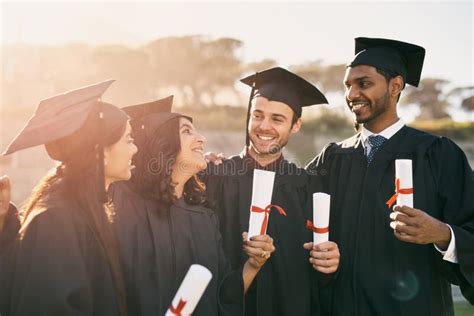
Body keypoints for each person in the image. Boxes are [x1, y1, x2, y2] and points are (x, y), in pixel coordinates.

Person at [306, 37, 474, 315]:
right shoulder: (333, 158)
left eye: (364, 84)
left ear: (396, 86)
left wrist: (443, 234)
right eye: (348, 85)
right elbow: (288, 195)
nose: (351, 94)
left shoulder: (437, 155)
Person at [109, 96, 275, 315]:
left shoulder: (204, 220)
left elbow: (224, 294)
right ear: (161, 144)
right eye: (187, 131)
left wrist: (254, 264)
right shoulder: (119, 205)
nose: (201, 138)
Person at [204, 67, 341, 316]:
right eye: (257, 115)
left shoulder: (307, 186)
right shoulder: (216, 176)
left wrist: (332, 261)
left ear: (296, 125)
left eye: (277, 119)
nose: (264, 126)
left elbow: (320, 271)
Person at [0, 80, 137, 315]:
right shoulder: (55, 219)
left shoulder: (86, 208)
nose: (135, 149)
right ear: (101, 151)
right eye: (129, 139)